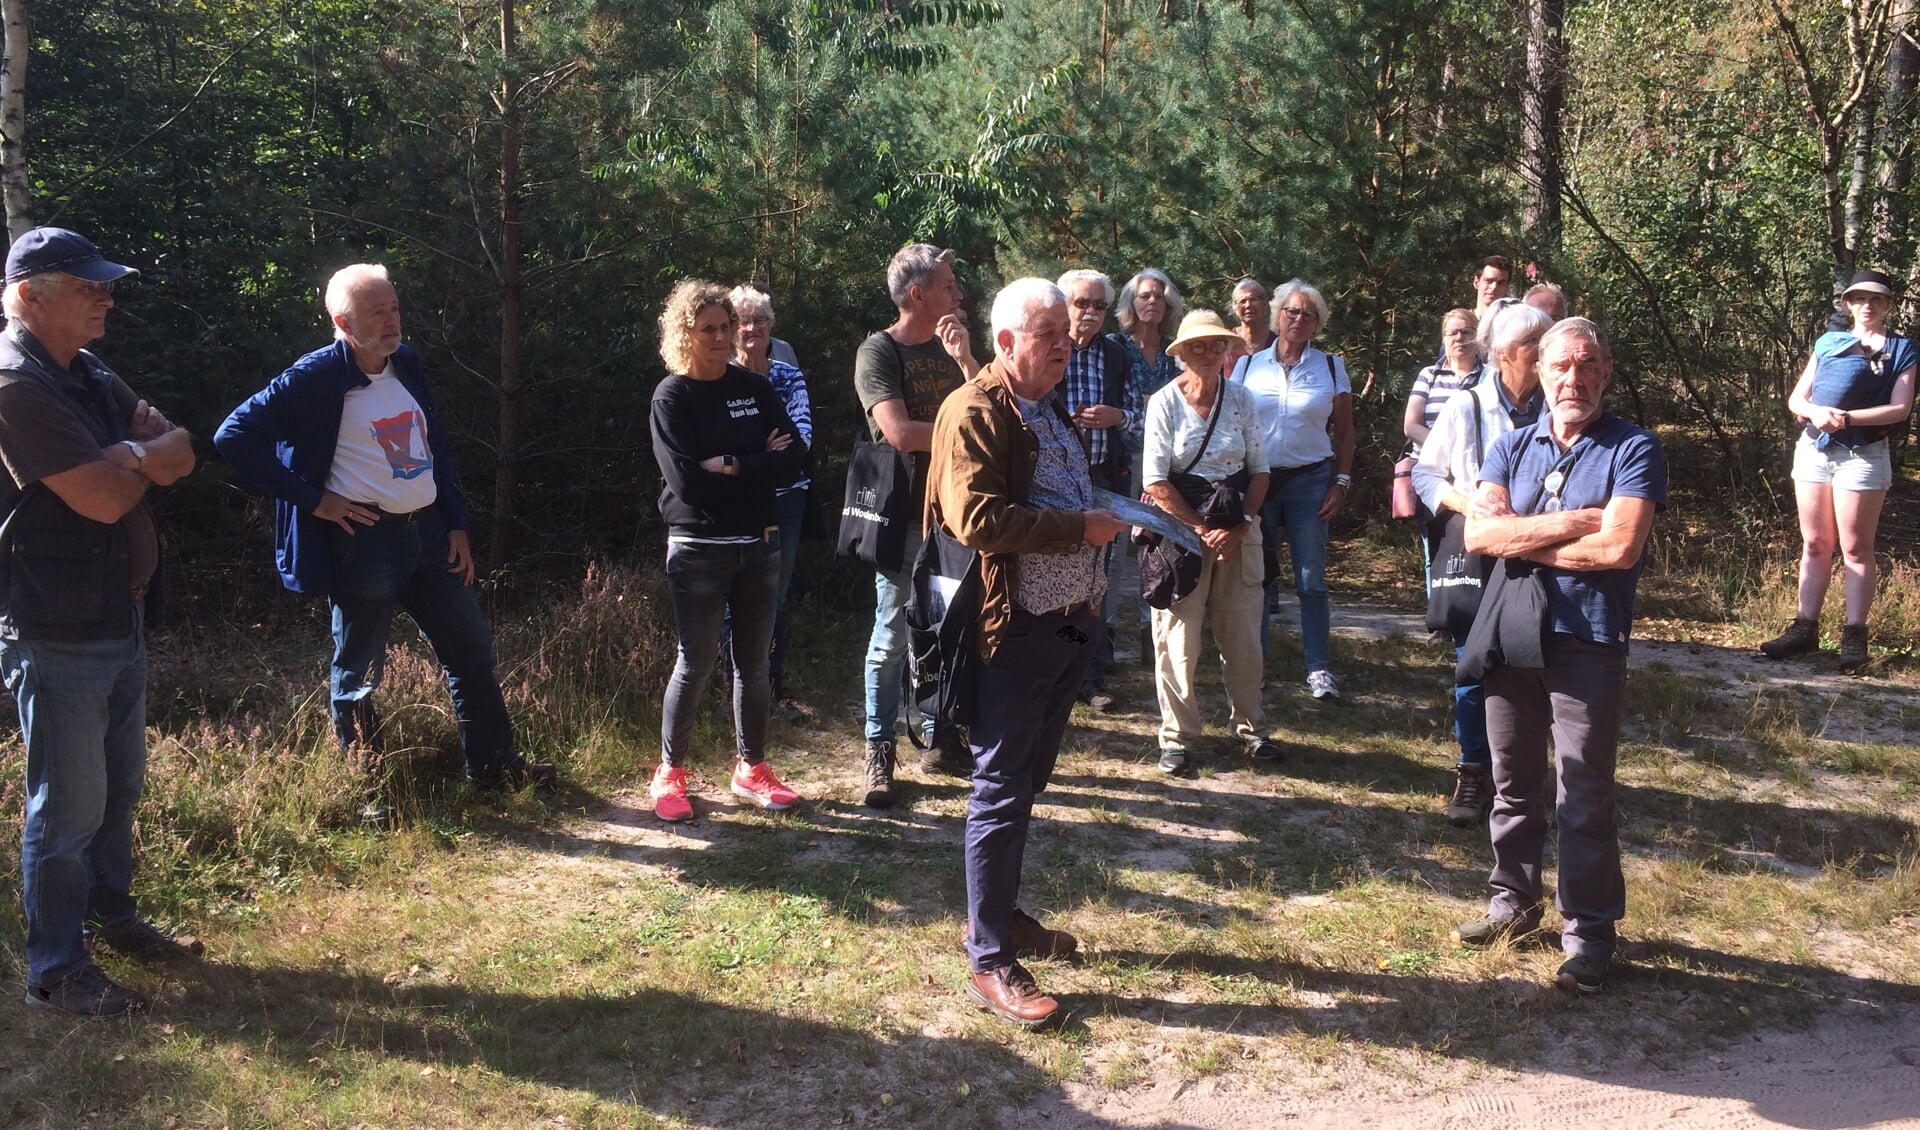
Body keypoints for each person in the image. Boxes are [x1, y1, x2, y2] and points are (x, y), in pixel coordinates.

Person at [217, 265, 556, 816]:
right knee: (358, 671)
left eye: (395, 307)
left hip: (428, 536)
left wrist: (457, 525)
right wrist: (314, 498)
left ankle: (495, 768)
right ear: (342, 321)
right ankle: (370, 792)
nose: (393, 320)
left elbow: (435, 447)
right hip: (364, 545)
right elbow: (233, 436)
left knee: (471, 648)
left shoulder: (407, 363)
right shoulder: (314, 376)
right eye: (379, 312)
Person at [1, 227, 200, 1016]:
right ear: (29, 296)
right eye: (87, 287)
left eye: (104, 285)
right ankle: (55, 968)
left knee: (118, 788)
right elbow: (104, 497)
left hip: (120, 612)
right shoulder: (15, 385)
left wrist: (130, 453)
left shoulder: (83, 370)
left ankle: (110, 914)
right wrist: (137, 455)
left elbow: (183, 449)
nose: (106, 298)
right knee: (68, 804)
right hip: (55, 626)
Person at [927, 277, 1127, 1027]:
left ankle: (1002, 914)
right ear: (1004, 340)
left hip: (1072, 624)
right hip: (1014, 630)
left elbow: (1070, 493)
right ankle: (989, 958)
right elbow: (977, 517)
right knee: (1001, 785)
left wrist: (1096, 576)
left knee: (1029, 777)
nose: (1063, 345)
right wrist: (1079, 531)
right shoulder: (975, 408)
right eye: (1046, 333)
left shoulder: (1045, 408)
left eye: (1062, 333)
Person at [1452, 317, 1666, 994]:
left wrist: (1524, 536)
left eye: (1587, 365)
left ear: (1605, 372)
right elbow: (1481, 535)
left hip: (1589, 639)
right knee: (1512, 784)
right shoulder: (1512, 447)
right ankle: (1512, 904)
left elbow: (1619, 550)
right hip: (1512, 636)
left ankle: (1590, 935)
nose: (1573, 378)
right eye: (1560, 366)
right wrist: (1576, 522)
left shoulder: (1634, 449)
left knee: (1583, 794)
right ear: (1537, 372)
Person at [646, 280, 810, 822]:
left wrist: (733, 464)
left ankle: (751, 769)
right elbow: (688, 484)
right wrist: (754, 461)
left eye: (725, 326)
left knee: (755, 666)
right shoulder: (672, 397)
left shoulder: (754, 388)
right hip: (697, 550)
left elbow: (796, 460)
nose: (721, 336)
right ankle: (670, 774)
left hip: (759, 544)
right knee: (694, 663)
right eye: (708, 328)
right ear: (684, 334)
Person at [1412, 303, 1550, 827]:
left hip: (1539, 556)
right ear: (1502, 355)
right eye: (1532, 351)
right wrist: (1469, 503)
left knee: (1534, 663)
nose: (1542, 361)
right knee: (1473, 662)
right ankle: (1473, 770)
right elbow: (1427, 477)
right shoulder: (1467, 406)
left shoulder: (1554, 409)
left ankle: (1521, 777)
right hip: (1479, 553)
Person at [855, 244, 975, 807]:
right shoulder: (877, 352)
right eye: (949, 286)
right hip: (904, 517)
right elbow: (900, 434)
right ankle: (880, 750)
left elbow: (994, 407)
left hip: (957, 513)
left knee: (951, 630)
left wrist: (970, 363)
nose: (959, 295)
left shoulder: (956, 349)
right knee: (892, 633)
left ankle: (939, 733)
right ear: (918, 294)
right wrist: (966, 431)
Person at [1760, 270, 1917, 670]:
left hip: (1862, 455)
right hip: (1814, 449)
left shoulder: (1902, 349)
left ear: (1887, 305)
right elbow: (1798, 397)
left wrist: (1845, 419)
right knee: (1814, 543)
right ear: (1848, 304)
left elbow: (1900, 408)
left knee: (1856, 549)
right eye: (1859, 298)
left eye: (1876, 299)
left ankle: (1854, 636)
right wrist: (1815, 412)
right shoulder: (1828, 342)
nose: (1867, 305)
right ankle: (1803, 629)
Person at [1141, 311, 1274, 774]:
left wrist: (1240, 527)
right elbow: (1155, 480)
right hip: (1180, 535)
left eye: (1216, 345)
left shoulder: (1242, 399)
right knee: (1178, 639)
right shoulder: (1163, 403)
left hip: (1238, 529)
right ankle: (1176, 740)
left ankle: (1253, 730)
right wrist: (1201, 530)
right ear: (1180, 353)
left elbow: (1260, 469)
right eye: (1197, 346)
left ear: (1226, 350)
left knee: (1243, 638)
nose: (1208, 353)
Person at [1232, 279, 1354, 700]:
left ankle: (1319, 669)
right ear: (1277, 314)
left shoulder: (1331, 367)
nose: (1298, 319)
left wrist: (1341, 481)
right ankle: (1255, 666)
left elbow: (1345, 432)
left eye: (1308, 314)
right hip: (1260, 481)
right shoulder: (1248, 366)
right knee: (1258, 578)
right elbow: (1233, 425)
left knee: (1310, 578)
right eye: (1291, 311)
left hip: (1310, 481)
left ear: (1318, 324)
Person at [1056, 268, 1142, 710]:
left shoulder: (1117, 355)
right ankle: (1052, 666)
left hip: (1102, 476)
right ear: (1063, 304)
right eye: (1081, 303)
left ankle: (1092, 675)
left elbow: (1140, 417)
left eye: (1099, 305)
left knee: (1098, 578)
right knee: (1049, 571)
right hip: (1051, 479)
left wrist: (1119, 418)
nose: (1089, 313)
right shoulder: (1048, 345)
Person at [726, 285, 812, 723]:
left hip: (787, 501)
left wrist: (747, 458)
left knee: (776, 596)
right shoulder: (718, 378)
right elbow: (721, 450)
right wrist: (762, 452)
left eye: (759, 320)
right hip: (738, 504)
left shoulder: (787, 376)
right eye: (743, 321)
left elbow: (800, 442)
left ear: (770, 326)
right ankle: (731, 691)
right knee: (732, 592)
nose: (751, 328)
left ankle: (772, 691)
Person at [1401, 308, 1489, 449]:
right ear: (1444, 339)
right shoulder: (1429, 375)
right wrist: (1446, 450)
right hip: (1429, 463)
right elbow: (1411, 426)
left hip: (1475, 464)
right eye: (1452, 333)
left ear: (1477, 336)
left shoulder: (1491, 375)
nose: (1459, 338)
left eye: (1466, 332)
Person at [1114, 268, 1184, 399]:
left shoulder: (1175, 352)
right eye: (1144, 296)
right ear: (1131, 304)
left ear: (1167, 305)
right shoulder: (1115, 346)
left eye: (1159, 297)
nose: (1152, 301)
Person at [1226, 278, 1275, 367]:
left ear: (1264, 303)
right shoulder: (1226, 341)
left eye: (1253, 299)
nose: (1248, 305)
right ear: (1234, 307)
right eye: (1242, 301)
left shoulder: (1277, 342)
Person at [1471, 255, 1513, 320]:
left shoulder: (1513, 325)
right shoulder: (1461, 323)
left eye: (1500, 283)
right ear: (1476, 282)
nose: (1494, 287)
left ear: (1507, 287)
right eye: (1489, 281)